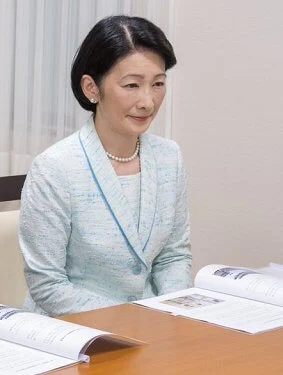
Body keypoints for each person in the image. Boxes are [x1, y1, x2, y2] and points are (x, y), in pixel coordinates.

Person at [19, 15, 192, 317]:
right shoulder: (55, 168)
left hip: (155, 328)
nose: (148, 101)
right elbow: (47, 284)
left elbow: (173, 257)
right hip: (75, 333)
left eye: (158, 84)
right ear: (91, 88)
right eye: (132, 85)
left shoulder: (169, 157)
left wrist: (172, 316)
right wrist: (134, 321)